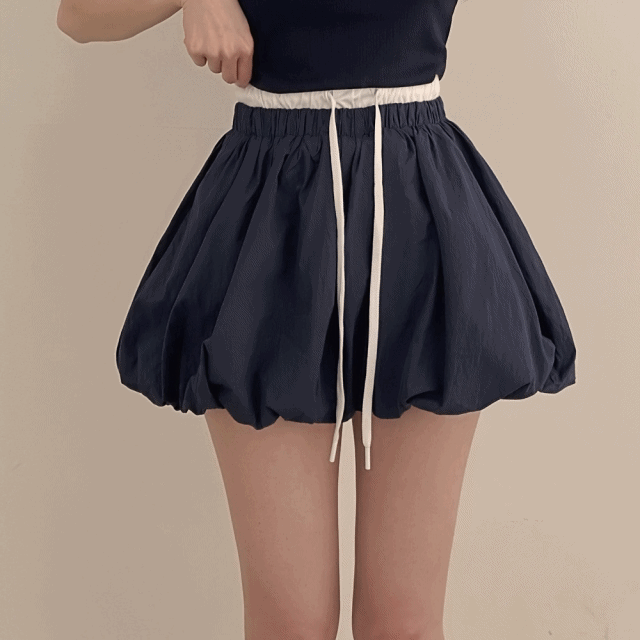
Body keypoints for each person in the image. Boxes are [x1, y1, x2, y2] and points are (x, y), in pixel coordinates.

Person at [57, 1, 577, 638]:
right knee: (290, 624)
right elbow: (79, 15)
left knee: (403, 623)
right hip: (271, 217)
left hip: (416, 212)